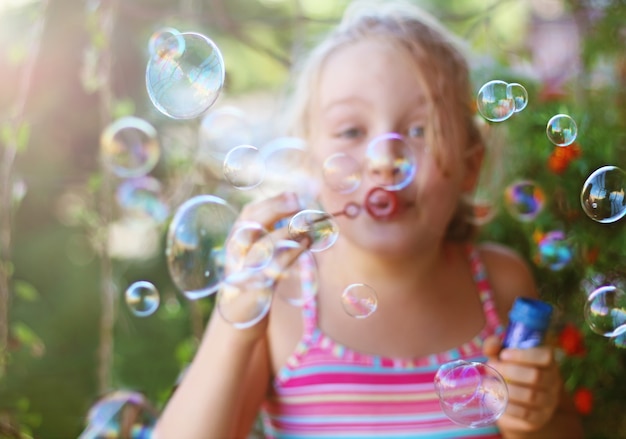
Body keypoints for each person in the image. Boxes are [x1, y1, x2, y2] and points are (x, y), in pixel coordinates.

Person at [155, 1, 584, 438]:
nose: (385, 159)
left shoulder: (500, 285)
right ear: (309, 161)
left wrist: (534, 418)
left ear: (470, 163)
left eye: (419, 130)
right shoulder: (284, 302)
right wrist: (233, 322)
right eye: (351, 132)